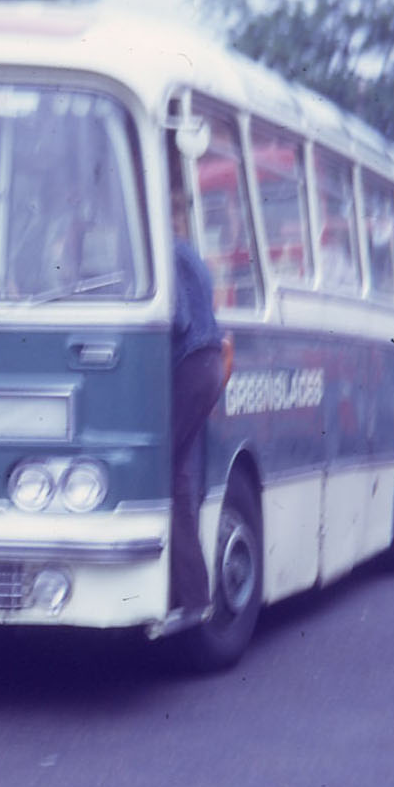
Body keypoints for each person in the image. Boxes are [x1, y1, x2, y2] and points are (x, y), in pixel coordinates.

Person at [168, 183, 229, 620]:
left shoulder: (167, 254)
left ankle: (189, 595)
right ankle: (189, 594)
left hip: (188, 365)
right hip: (208, 365)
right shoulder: (190, 252)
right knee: (179, 475)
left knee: (159, 471)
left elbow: (176, 317)